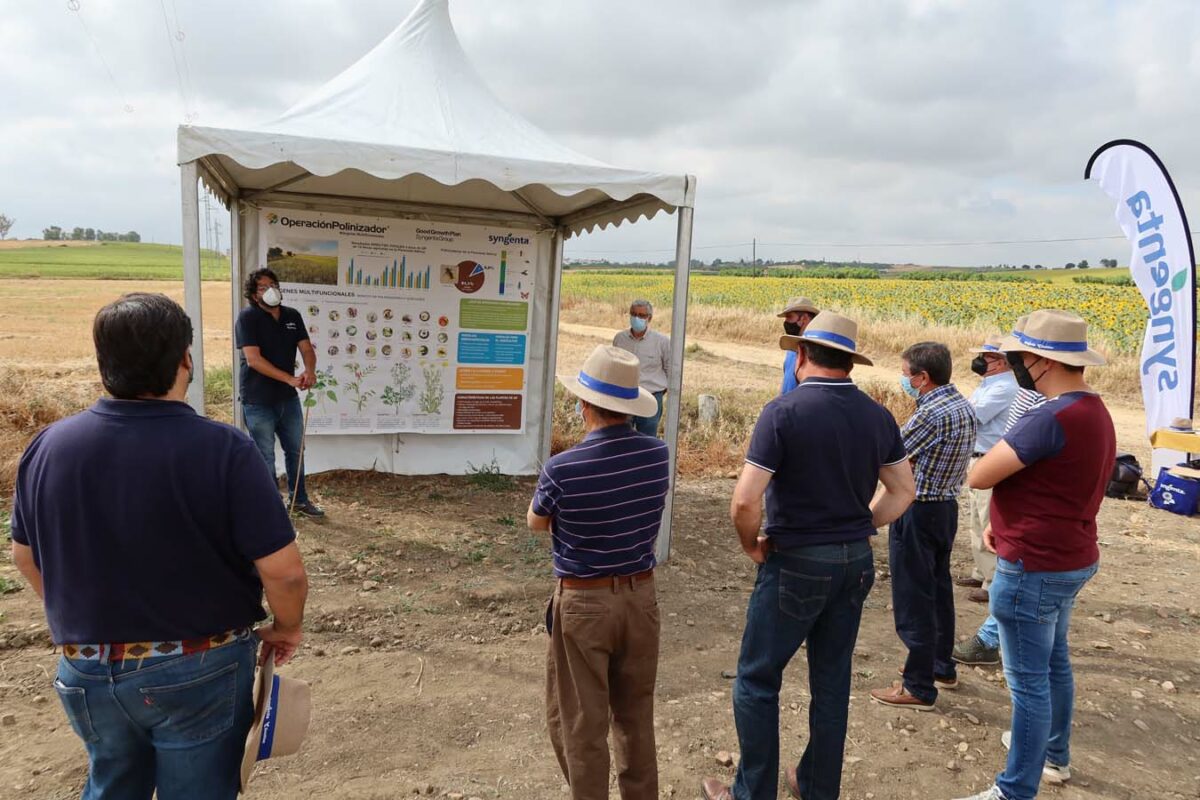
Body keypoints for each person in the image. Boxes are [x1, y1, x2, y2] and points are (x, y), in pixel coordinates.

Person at [10, 293, 308, 800]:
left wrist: (88, 619)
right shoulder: (223, 449)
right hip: (199, 667)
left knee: (112, 785)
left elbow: (25, 556)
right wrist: (287, 626)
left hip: (85, 668)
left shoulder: (48, 446)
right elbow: (284, 574)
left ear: (104, 364)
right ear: (185, 360)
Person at [701, 311, 915, 800]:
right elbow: (904, 490)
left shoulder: (784, 412)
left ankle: (752, 793)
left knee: (757, 678)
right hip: (855, 564)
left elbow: (744, 500)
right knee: (832, 680)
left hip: (795, 562)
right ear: (849, 362)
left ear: (800, 356)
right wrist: (862, 525)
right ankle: (818, 786)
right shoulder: (877, 415)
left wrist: (749, 544)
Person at [953, 310, 1115, 800]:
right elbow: (1054, 485)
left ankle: (1014, 789)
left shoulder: (1050, 416)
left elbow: (980, 475)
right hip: (1069, 553)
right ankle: (1053, 755)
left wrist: (1008, 526)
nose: (1015, 365)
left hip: (1034, 566)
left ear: (1042, 361)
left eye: (1020, 357)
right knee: (1053, 663)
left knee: (1028, 684)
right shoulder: (1095, 410)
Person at [529, 345, 670, 800]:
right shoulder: (657, 455)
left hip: (584, 601)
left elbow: (537, 522)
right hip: (641, 596)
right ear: (629, 408)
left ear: (585, 405)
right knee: (635, 715)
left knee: (581, 721)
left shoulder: (561, 468)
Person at [870, 342, 976, 711]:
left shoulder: (930, 414)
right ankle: (939, 666)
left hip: (917, 512)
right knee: (938, 592)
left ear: (923, 377)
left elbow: (891, 454)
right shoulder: (962, 405)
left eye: (905, 374)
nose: (903, 380)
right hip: (945, 509)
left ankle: (917, 685)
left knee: (913, 599)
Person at [953, 384, 1045, 667]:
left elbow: (981, 474)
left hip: (1033, 528)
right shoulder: (1082, 411)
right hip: (1051, 531)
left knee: (1011, 593)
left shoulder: (1044, 411)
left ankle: (988, 641)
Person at [236, 267, 324, 516]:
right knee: (264, 455)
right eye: (263, 287)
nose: (270, 290)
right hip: (257, 400)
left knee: (296, 450)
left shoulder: (292, 316)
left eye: (273, 284)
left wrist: (309, 371)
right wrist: (289, 379)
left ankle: (299, 500)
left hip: (287, 399)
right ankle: (271, 508)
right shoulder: (247, 318)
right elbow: (253, 360)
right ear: (254, 295)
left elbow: (307, 349)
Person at [957, 336, 1019, 604]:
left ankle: (992, 580)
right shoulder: (989, 384)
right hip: (978, 456)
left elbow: (973, 416)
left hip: (989, 457)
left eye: (986, 357)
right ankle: (980, 570)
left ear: (1001, 362)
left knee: (987, 519)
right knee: (975, 520)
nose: (980, 361)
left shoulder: (1004, 387)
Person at [612, 298, 671, 436]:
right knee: (621, 439)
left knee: (647, 441)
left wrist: (659, 391)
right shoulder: (620, 339)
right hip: (624, 397)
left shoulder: (661, 342)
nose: (636, 318)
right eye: (633, 314)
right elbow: (614, 367)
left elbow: (670, 370)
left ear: (649, 318)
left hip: (650, 398)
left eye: (641, 315)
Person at [777, 296, 820, 394]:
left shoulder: (818, 351)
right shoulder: (792, 347)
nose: (786, 322)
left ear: (804, 319)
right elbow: (787, 380)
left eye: (789, 317)